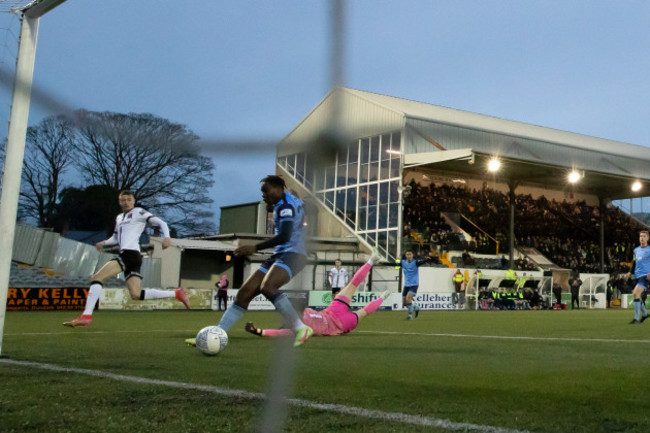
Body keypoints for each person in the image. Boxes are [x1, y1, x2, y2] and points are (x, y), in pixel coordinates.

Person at [188, 175, 313, 347]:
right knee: (245, 293)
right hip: (281, 254)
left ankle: (301, 327)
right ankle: (215, 335)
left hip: (294, 254)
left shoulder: (285, 206)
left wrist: (255, 248)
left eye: (266, 191)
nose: (263, 195)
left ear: (278, 188)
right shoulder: (288, 200)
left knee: (268, 287)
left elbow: (285, 236)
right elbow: (296, 200)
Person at [63, 189, 189, 327]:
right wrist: (104, 243)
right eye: (123, 200)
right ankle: (176, 294)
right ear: (119, 201)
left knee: (97, 278)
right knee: (135, 294)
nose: (126, 202)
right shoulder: (119, 218)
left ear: (134, 201)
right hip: (133, 257)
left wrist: (167, 238)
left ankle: (86, 315)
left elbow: (162, 223)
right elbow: (116, 238)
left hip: (130, 254)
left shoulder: (139, 212)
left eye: (129, 200)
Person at [245, 252, 387, 338]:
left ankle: (373, 268)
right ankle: (381, 291)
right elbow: (279, 332)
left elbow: (280, 333)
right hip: (336, 317)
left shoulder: (298, 325)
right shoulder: (300, 320)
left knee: (358, 300)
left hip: (336, 318)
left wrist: (259, 331)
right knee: (357, 298)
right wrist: (259, 331)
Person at [400, 249, 430, 320]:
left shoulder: (415, 262)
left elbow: (422, 262)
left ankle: (410, 316)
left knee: (408, 298)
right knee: (404, 303)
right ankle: (416, 308)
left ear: (412, 255)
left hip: (414, 284)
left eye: (410, 254)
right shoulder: (403, 263)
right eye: (407, 254)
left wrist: (426, 260)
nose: (409, 256)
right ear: (405, 255)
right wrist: (383, 263)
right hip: (406, 285)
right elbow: (394, 264)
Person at [628, 230, 650, 324]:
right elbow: (634, 262)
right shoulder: (635, 250)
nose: (642, 238)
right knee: (636, 296)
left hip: (645, 276)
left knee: (636, 294)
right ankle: (645, 314)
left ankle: (636, 318)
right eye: (640, 236)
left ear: (648, 238)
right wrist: (629, 273)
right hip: (636, 276)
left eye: (644, 236)